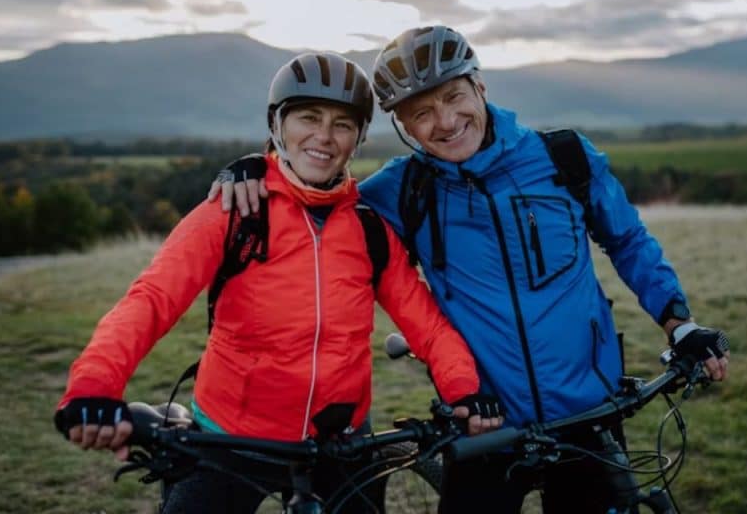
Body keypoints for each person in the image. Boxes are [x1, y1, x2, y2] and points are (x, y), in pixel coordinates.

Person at [211, 27, 730, 513]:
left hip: (589, 415)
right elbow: (317, 202)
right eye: (420, 112)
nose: (444, 121)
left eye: (453, 97)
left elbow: (628, 241)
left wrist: (678, 323)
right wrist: (260, 167)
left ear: (479, 87)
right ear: (403, 126)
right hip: (481, 425)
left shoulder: (563, 158)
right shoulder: (402, 190)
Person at [54, 52, 503, 514]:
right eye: (308, 118)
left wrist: (464, 391)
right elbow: (151, 300)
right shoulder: (234, 213)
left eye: (342, 124)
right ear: (277, 125)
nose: (324, 136)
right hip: (232, 439)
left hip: (342, 443)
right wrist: (95, 386)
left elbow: (426, 323)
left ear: (359, 138)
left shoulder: (370, 229)